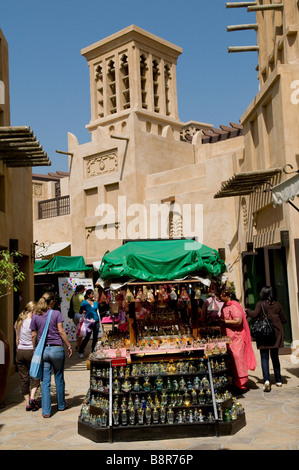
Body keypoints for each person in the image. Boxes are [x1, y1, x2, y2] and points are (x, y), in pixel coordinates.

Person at [30, 292, 73, 418]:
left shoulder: (36, 315)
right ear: (52, 302)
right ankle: (61, 405)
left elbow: (33, 334)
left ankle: (46, 411)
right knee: (59, 377)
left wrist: (35, 348)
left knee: (45, 381)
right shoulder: (56, 313)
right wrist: (69, 345)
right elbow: (61, 331)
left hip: (43, 350)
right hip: (57, 349)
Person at [245, 286, 287, 392]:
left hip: (264, 334)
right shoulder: (277, 304)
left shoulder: (261, 304)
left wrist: (247, 310)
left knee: (264, 357)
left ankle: (267, 380)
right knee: (275, 356)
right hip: (276, 333)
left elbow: (254, 315)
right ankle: (278, 380)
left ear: (263, 293)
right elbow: (284, 319)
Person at [219, 285, 257, 393]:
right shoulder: (226, 306)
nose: (220, 296)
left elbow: (238, 321)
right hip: (230, 339)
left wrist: (224, 322)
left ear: (226, 295)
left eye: (221, 294)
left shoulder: (234, 306)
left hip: (237, 339)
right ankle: (236, 382)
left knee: (238, 361)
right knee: (233, 361)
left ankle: (241, 385)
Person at [14, 301, 40, 411]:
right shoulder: (33, 322)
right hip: (30, 351)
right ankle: (32, 398)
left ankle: (27, 403)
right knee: (35, 374)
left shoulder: (18, 322)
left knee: (24, 378)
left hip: (20, 351)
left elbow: (17, 339)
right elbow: (34, 336)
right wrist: (35, 349)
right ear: (33, 310)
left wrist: (18, 349)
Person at [78, 289, 102, 358]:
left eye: (93, 294)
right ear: (88, 295)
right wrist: (83, 311)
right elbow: (80, 311)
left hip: (96, 321)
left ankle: (93, 351)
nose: (93, 295)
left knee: (95, 338)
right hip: (89, 322)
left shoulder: (95, 303)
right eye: (92, 294)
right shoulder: (84, 303)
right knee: (87, 337)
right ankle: (81, 351)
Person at [71, 285, 85, 351]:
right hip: (81, 315)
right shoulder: (82, 297)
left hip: (74, 315)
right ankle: (80, 346)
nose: (84, 290)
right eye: (83, 289)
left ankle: (77, 344)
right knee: (81, 332)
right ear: (81, 290)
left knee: (78, 331)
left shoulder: (73, 296)